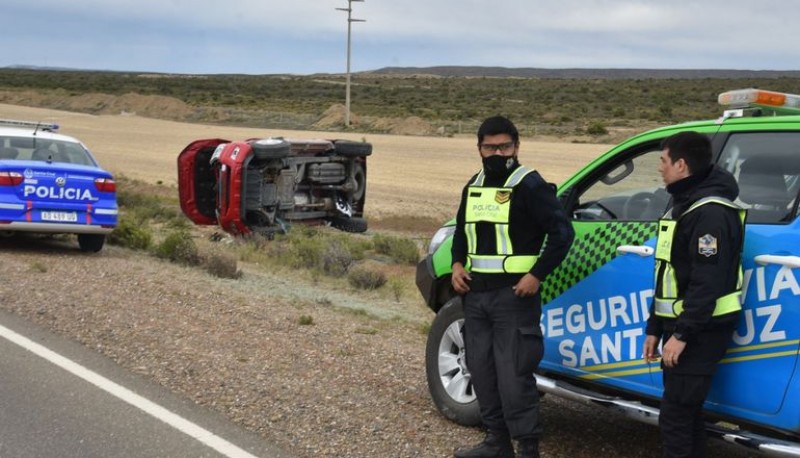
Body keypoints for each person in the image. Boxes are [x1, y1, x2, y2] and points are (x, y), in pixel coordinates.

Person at [451, 116, 574, 458]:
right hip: (476, 298)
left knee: (513, 376)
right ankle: (496, 443)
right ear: (479, 149)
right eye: (489, 147)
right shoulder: (473, 186)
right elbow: (462, 232)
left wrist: (536, 275)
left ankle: (527, 448)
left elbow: (563, 234)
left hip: (514, 299)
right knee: (482, 371)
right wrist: (457, 265)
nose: (497, 152)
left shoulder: (529, 184)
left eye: (504, 146)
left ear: (516, 147)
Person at [643, 131, 746, 458]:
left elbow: (707, 280)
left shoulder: (709, 213)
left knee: (676, 415)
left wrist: (683, 334)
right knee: (687, 413)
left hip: (701, 330)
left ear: (681, 164)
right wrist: (655, 328)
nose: (660, 168)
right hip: (688, 326)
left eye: (663, 160)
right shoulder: (687, 203)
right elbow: (669, 277)